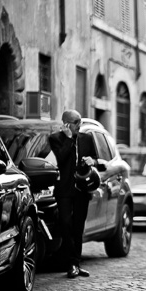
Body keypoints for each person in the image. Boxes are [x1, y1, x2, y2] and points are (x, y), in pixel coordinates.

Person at [49, 110, 99, 279]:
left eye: (80, 122)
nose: (80, 125)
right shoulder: (56, 139)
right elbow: (61, 158)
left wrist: (92, 161)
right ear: (67, 124)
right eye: (77, 122)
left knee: (78, 227)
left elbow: (96, 159)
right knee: (65, 223)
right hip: (64, 190)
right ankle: (69, 261)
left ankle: (75, 264)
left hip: (82, 190)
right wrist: (69, 138)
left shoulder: (87, 138)